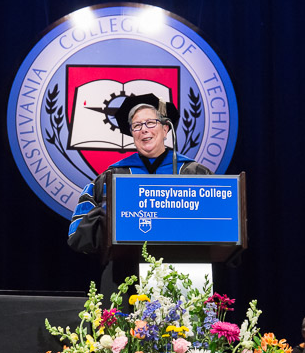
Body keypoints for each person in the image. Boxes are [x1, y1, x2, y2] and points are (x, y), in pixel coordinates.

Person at [67, 94, 212, 295]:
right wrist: (108, 219)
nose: (144, 129)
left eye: (150, 123)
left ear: (166, 129)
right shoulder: (111, 177)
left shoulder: (194, 173)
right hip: (124, 278)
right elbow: (77, 235)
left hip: (185, 274)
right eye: (136, 126)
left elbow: (218, 225)